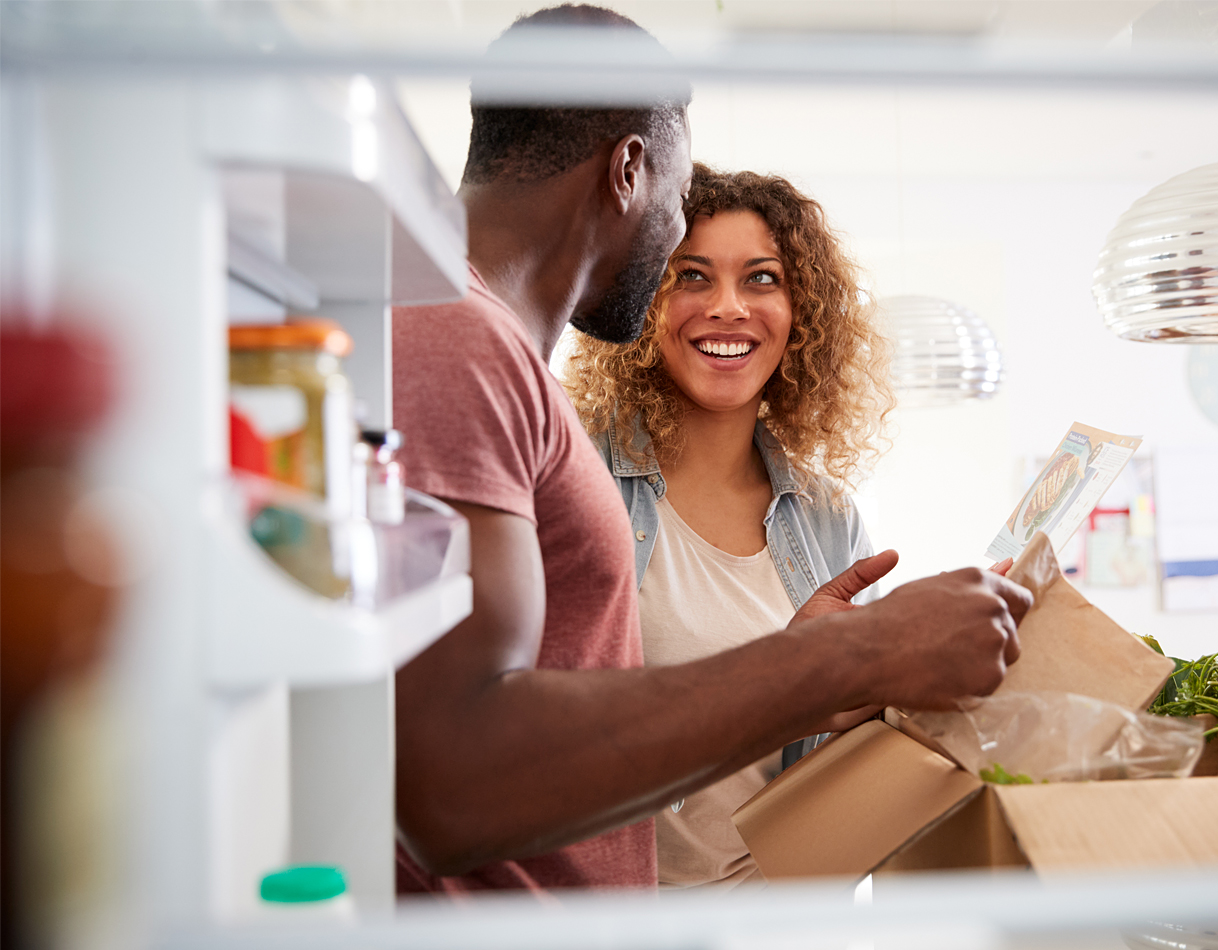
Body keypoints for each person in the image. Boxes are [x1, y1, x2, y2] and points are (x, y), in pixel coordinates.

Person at [391, 4, 1031, 896]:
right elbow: (451, 784)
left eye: (758, 279)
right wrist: (852, 654)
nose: (685, 264)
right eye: (681, 209)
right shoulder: (456, 338)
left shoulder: (474, 343)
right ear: (630, 170)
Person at [563, 164, 894, 888]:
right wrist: (787, 683)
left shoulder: (828, 517)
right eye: (691, 275)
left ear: (801, 310)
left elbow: (860, 759)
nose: (728, 308)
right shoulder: (573, 479)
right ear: (645, 298)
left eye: (762, 278)